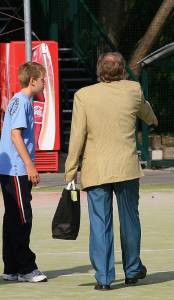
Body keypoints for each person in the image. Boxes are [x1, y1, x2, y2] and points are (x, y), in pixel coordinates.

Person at [64, 52, 158, 290]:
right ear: (122, 70)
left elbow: (77, 135)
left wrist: (70, 169)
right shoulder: (133, 89)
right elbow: (149, 117)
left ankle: (104, 278)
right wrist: (152, 116)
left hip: (95, 169)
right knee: (129, 220)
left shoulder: (83, 95)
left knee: (99, 223)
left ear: (99, 69)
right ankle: (133, 270)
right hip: (126, 167)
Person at [0, 62, 48, 282]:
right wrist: (30, 165)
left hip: (11, 170)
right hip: (17, 169)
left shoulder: (18, 100)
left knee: (12, 217)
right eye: (42, 79)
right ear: (33, 81)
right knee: (21, 217)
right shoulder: (22, 102)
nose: (44, 82)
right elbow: (15, 135)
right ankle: (27, 268)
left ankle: (11, 268)